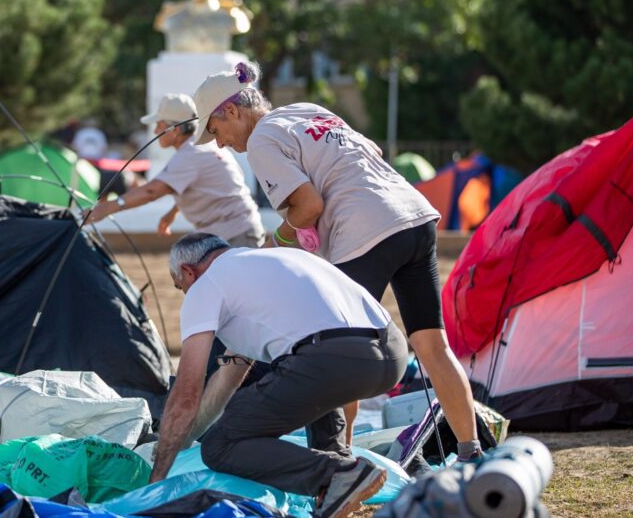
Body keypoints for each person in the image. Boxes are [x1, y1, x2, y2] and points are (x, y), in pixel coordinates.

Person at [191, 62, 483, 462]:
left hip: (365, 229)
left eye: (215, 131)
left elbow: (309, 205)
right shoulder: (306, 109)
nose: (220, 143)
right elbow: (369, 152)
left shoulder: (261, 141)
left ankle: (339, 466)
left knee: (338, 350)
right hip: (414, 215)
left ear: (232, 111)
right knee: (433, 344)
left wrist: (277, 240)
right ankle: (472, 452)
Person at [149, 233, 407, 518]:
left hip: (330, 357)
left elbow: (187, 394)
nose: (186, 293)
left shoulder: (205, 286)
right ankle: (341, 475)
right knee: (303, 372)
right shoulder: (270, 265)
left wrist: (157, 476)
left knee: (220, 445)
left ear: (188, 271)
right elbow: (224, 384)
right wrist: (183, 441)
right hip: (392, 354)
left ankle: (340, 473)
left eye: (181, 287)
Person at [86, 93, 265, 248]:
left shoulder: (190, 154)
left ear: (176, 129)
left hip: (235, 235)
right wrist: (173, 212)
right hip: (237, 230)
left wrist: (106, 208)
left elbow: (151, 191)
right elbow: (200, 185)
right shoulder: (202, 146)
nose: (155, 131)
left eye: (159, 125)